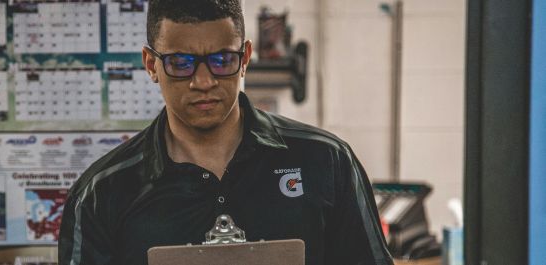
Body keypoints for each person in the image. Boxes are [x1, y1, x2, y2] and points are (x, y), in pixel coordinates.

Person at [59, 0, 393, 264]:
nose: (203, 82)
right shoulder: (101, 194)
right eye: (180, 63)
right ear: (151, 65)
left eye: (222, 60)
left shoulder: (326, 161)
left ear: (245, 57)